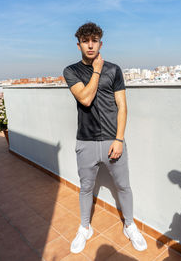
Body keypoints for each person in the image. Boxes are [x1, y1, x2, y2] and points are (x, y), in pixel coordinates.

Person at [63, 22, 147, 254]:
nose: (90, 45)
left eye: (95, 40)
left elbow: (122, 106)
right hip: (86, 141)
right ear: (78, 43)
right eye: (86, 41)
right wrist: (97, 70)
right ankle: (84, 228)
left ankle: (129, 225)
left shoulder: (115, 69)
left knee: (123, 186)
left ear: (101, 43)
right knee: (86, 188)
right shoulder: (71, 71)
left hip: (113, 140)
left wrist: (119, 139)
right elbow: (86, 99)